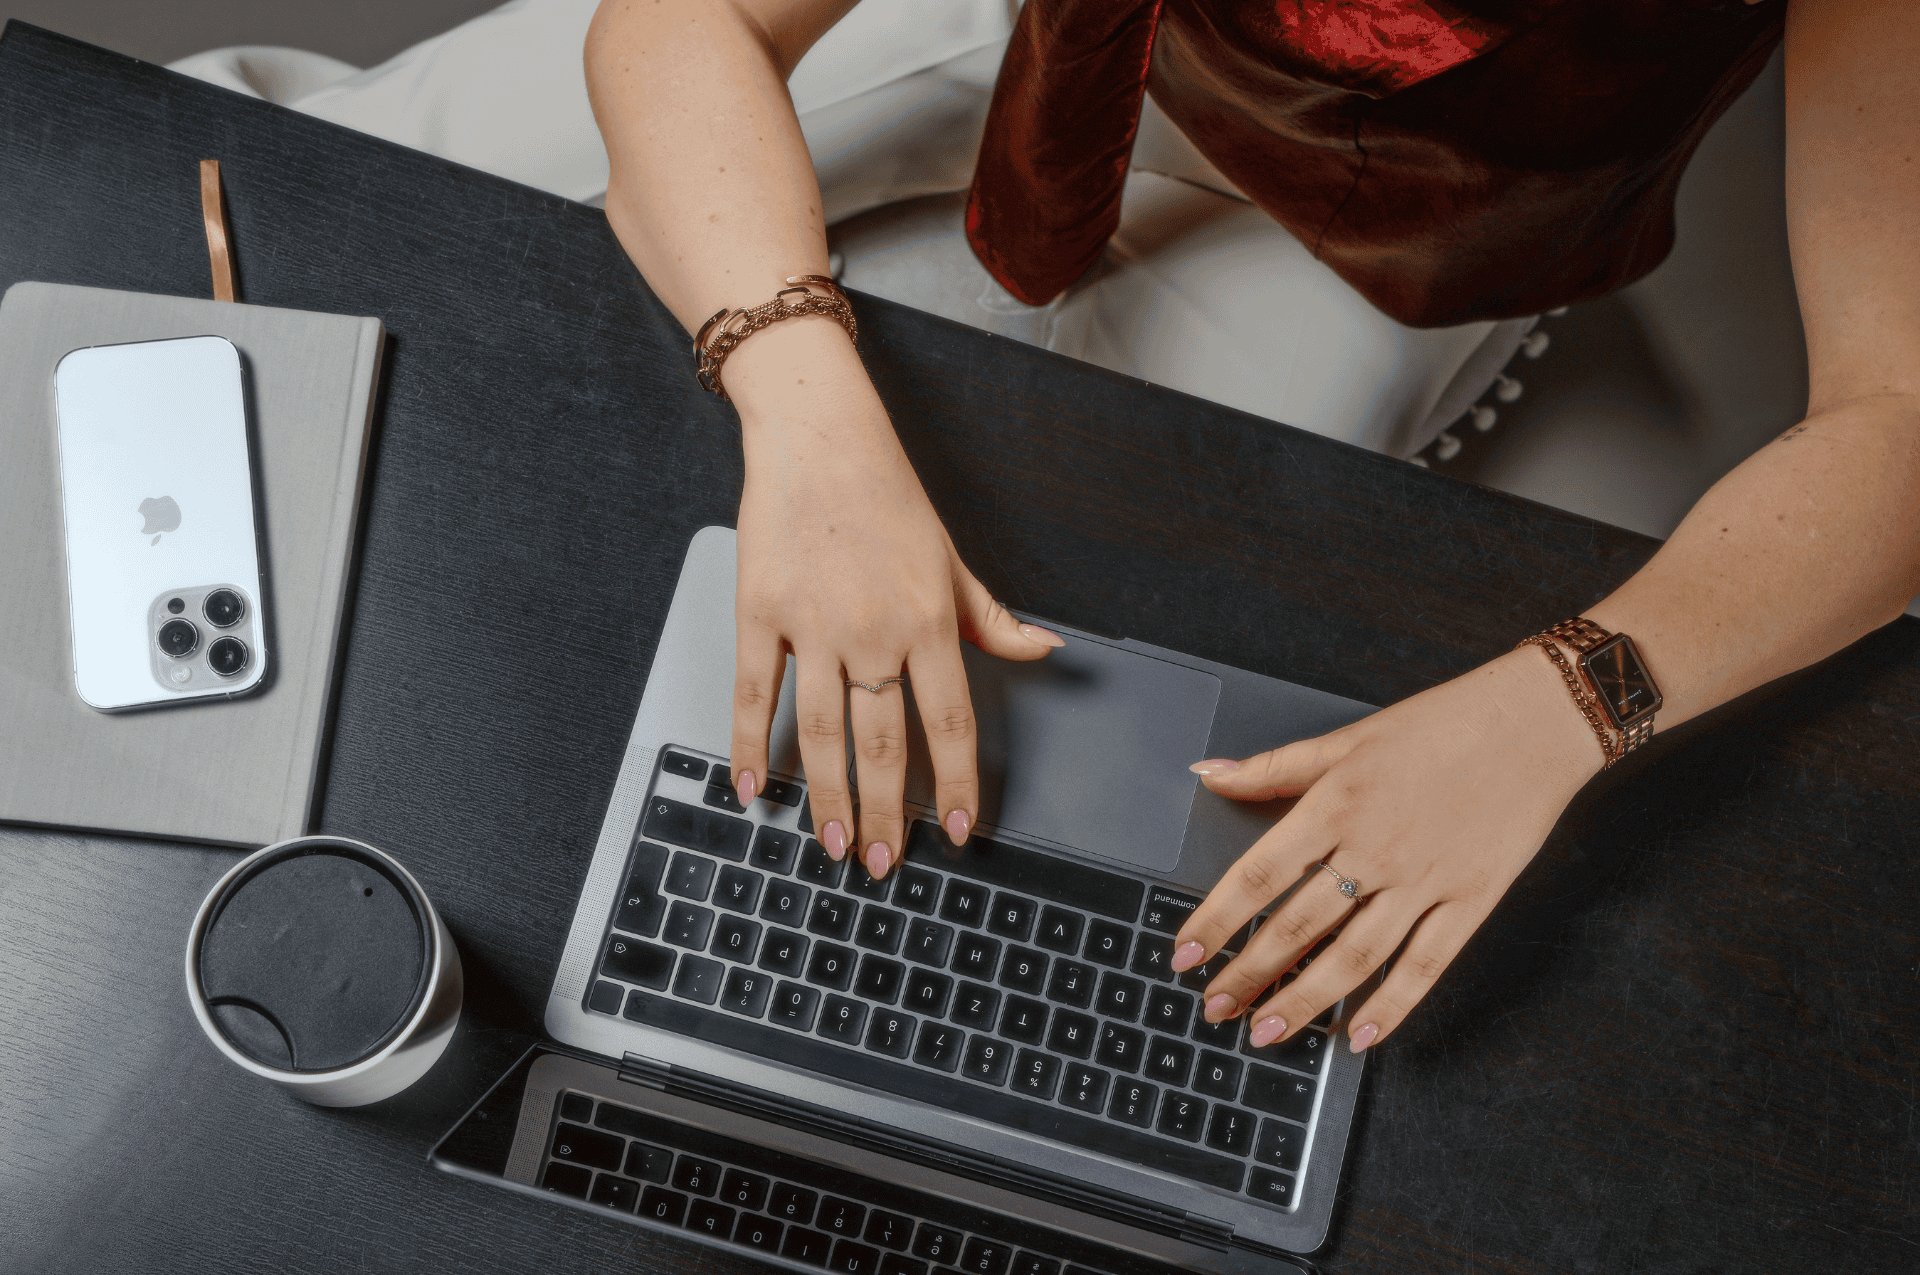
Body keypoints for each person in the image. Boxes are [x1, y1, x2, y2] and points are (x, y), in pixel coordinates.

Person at [179, 0, 1920, 1056]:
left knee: (1082, 662)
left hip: (1410, 229)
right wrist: (804, 408)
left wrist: (1569, 702)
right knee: (340, 167)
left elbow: (1901, 423)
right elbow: (681, 28)